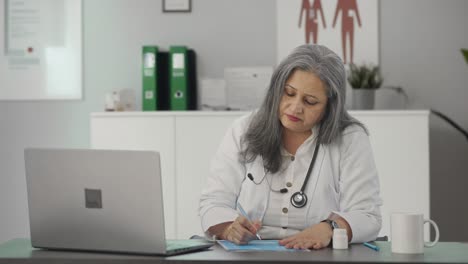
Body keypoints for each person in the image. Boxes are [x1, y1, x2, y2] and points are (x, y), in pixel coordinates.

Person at [199, 44, 382, 250]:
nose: (295, 107)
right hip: (249, 254)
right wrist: (229, 228)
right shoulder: (243, 130)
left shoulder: (351, 139)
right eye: (288, 93)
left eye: (310, 101)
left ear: (330, 107)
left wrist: (330, 227)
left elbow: (367, 215)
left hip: (318, 254)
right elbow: (213, 202)